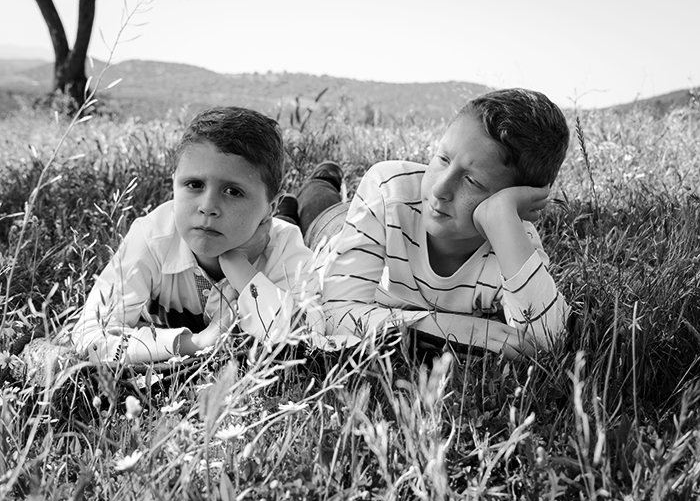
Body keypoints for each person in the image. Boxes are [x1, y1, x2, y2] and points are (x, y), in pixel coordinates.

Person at [318, 88, 571, 359]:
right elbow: (335, 315)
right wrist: (449, 328)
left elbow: (548, 342)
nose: (440, 188)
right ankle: (322, 181)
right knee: (318, 206)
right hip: (336, 233)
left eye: (472, 181)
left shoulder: (513, 241)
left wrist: (501, 214)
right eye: (443, 159)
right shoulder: (387, 188)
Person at [72, 106, 319, 364]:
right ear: (174, 183)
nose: (207, 207)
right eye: (194, 185)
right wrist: (194, 343)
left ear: (270, 207)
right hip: (257, 224)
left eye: (233, 192)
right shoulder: (152, 237)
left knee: (317, 214)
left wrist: (238, 266)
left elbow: (306, 338)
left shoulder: (285, 246)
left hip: (274, 228)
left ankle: (319, 185)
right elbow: (89, 335)